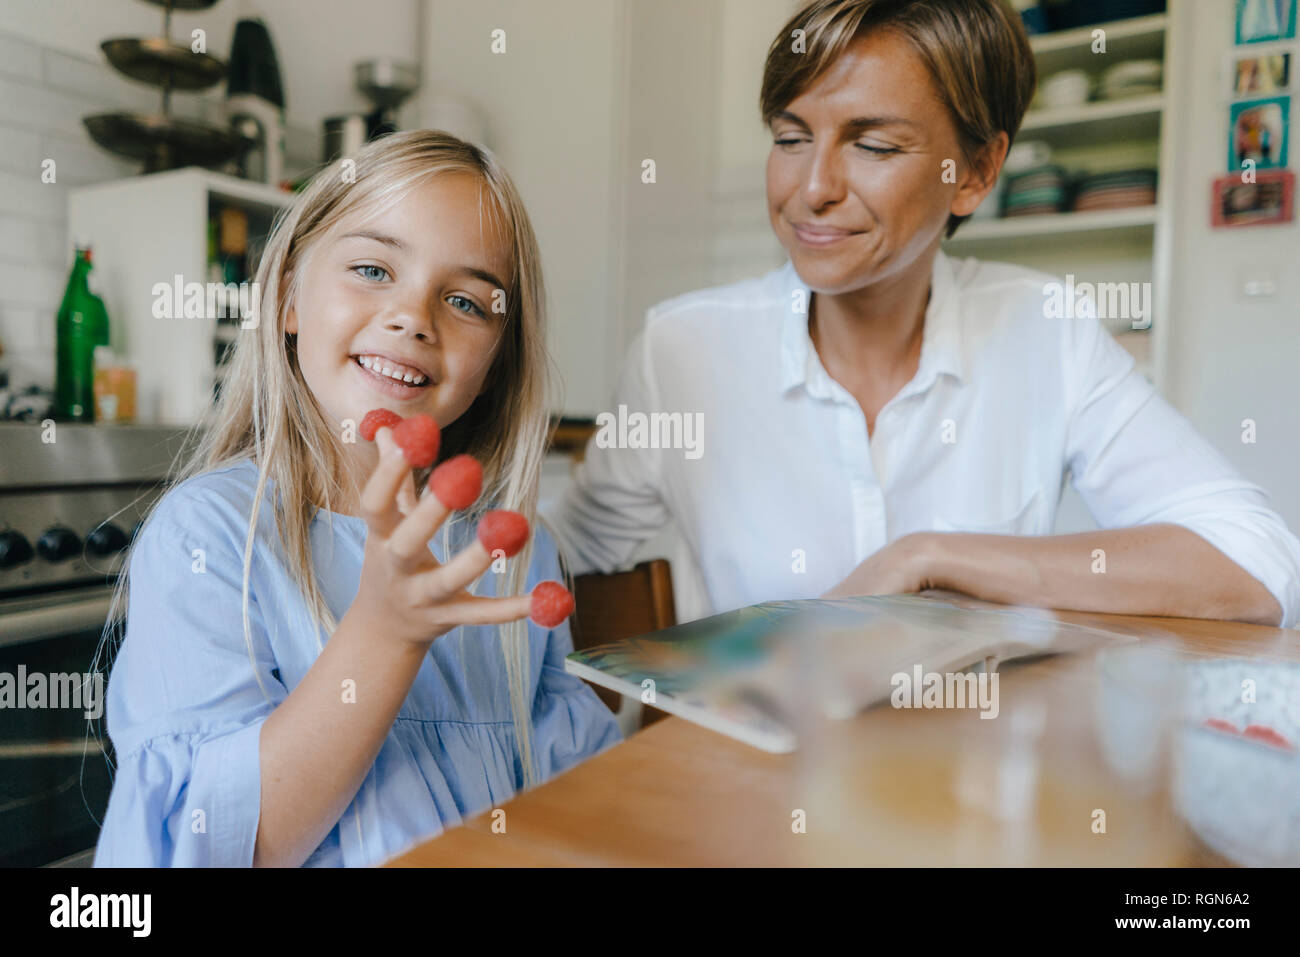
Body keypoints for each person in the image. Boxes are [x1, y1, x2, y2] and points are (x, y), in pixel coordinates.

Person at [547, 0, 1300, 627]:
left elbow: (1259, 563)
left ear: (975, 172)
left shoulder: (1047, 329)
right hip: (760, 778)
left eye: (872, 144)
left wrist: (932, 556)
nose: (813, 187)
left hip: (966, 780)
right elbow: (567, 553)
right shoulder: (684, 349)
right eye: (789, 137)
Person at [94, 130, 620, 868]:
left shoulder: (511, 549)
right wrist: (386, 632)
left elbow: (575, 797)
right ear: (286, 301)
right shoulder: (208, 535)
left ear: (497, 362)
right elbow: (220, 846)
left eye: (466, 300)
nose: (413, 317)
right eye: (373, 268)